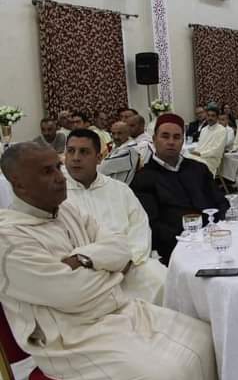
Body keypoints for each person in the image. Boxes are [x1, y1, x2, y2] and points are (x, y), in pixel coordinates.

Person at [0, 142, 219, 380]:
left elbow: (120, 247)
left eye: (57, 167)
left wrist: (84, 258)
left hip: (117, 311)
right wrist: (111, 272)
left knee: (206, 339)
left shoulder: (67, 210)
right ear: (19, 184)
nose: (59, 177)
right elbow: (73, 294)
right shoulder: (9, 239)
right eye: (46, 171)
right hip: (70, 337)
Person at [64, 129, 167, 304]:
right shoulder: (56, 194)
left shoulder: (119, 189)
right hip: (82, 271)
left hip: (128, 266)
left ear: (99, 158)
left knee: (161, 279)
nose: (76, 158)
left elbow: (140, 227)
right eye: (71, 151)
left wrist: (127, 261)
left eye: (84, 152)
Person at [131, 113, 228, 264]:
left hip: (216, 241)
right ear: (154, 139)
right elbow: (151, 225)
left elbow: (221, 202)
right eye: (165, 136)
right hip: (177, 250)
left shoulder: (199, 169)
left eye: (177, 137)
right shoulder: (143, 178)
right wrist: (189, 239)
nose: (171, 142)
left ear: (183, 141)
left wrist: (217, 229)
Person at [187, 105, 227, 176]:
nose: (210, 118)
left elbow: (217, 150)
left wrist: (200, 154)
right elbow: (199, 145)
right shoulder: (204, 129)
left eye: (213, 116)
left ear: (217, 117)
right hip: (199, 156)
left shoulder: (222, 130)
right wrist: (195, 153)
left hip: (211, 159)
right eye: (208, 115)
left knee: (192, 167)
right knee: (184, 161)